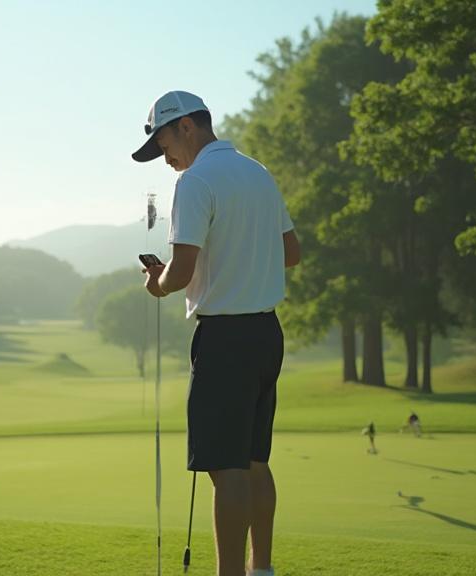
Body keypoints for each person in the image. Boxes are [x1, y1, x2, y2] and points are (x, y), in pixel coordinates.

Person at [135, 91, 300, 576]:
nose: (164, 158)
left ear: (187, 126)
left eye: (162, 143)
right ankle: (260, 569)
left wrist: (157, 284)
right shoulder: (258, 173)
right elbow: (291, 253)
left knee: (225, 467)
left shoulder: (195, 180)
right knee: (254, 460)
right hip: (266, 333)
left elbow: (180, 273)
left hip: (225, 339)